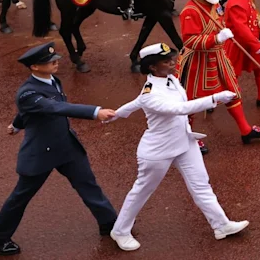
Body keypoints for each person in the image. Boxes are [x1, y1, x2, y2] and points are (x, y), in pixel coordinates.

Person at [107, 43, 250, 251]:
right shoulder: (151, 93)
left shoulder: (169, 79)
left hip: (184, 141)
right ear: (153, 67)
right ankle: (120, 231)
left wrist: (118, 113)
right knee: (141, 191)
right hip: (158, 151)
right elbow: (180, 108)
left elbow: (135, 103)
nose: (172, 63)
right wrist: (214, 98)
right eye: (166, 61)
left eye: (171, 58)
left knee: (201, 184)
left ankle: (221, 225)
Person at [0, 42, 118, 256]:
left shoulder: (52, 80)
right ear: (34, 67)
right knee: (21, 196)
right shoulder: (27, 93)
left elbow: (29, 112)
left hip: (66, 145)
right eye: (49, 61)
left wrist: (17, 125)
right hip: (41, 152)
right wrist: (95, 112)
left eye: (55, 59)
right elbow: (53, 107)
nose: (55, 62)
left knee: (88, 185)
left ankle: (109, 223)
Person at [178, 0, 260, 151]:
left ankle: (245, 130)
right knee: (193, 101)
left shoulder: (214, 4)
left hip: (218, 56)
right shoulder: (190, 11)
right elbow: (190, 40)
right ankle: (186, 137)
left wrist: (223, 33)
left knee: (232, 91)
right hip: (198, 61)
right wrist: (216, 38)